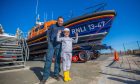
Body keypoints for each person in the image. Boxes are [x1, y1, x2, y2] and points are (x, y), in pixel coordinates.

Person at [40, 16, 64, 84]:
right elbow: (48, 33)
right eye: (59, 21)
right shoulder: (53, 26)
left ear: (63, 22)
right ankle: (45, 77)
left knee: (58, 60)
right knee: (48, 59)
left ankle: (56, 75)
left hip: (59, 45)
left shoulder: (63, 28)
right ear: (57, 20)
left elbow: (66, 35)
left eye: (62, 21)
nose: (60, 22)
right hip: (51, 44)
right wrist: (48, 41)